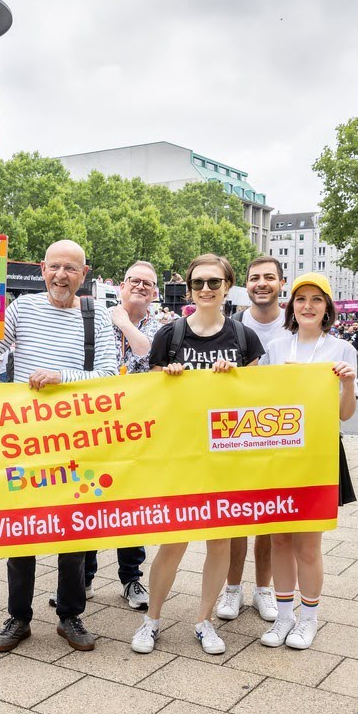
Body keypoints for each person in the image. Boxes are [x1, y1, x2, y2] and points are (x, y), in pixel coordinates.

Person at [0, 239, 117, 653]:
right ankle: (19, 617)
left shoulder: (97, 317)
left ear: (84, 274)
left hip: (78, 438)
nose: (61, 276)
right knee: (22, 530)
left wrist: (61, 377)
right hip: (25, 440)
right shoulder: (21, 310)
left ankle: (71, 615)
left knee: (73, 532)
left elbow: (108, 375)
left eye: (70, 269)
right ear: (41, 270)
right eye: (54, 267)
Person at [132, 254, 265, 656]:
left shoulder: (244, 340)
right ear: (188, 289)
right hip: (180, 455)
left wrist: (235, 381)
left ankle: (204, 621)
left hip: (226, 458)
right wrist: (166, 379)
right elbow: (150, 402)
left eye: (213, 282)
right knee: (173, 542)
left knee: (220, 543)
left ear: (227, 286)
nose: (205, 289)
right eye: (197, 283)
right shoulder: (168, 336)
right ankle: (151, 620)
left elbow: (257, 403)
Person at [257, 273, 357, 650]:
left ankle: (308, 619)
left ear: (327, 307)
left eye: (317, 299)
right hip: (279, 453)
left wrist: (347, 384)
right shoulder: (276, 346)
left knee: (308, 544)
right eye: (301, 299)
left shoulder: (342, 349)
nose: (308, 306)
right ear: (291, 306)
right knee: (280, 539)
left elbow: (345, 414)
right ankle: (284, 617)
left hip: (319, 452)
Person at [217, 256, 288, 624]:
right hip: (235, 432)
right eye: (255, 278)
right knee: (234, 516)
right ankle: (232, 589)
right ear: (246, 284)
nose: (262, 283)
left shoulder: (295, 325)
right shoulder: (231, 326)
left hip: (278, 434)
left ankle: (264, 589)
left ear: (281, 283)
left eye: (269, 278)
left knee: (269, 520)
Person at [92, 260, 161, 610]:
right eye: (134, 281)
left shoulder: (163, 325)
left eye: (147, 283)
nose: (140, 287)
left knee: (130, 505)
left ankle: (131, 579)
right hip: (93, 428)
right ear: (120, 285)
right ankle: (82, 579)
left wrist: (124, 323)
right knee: (89, 498)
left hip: (137, 430)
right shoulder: (92, 318)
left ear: (155, 292)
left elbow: (151, 355)